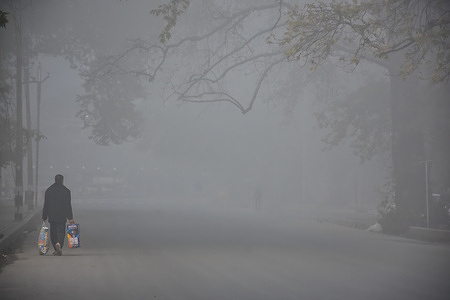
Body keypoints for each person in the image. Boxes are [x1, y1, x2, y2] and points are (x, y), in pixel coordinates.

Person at [42, 174, 74, 256]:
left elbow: (46, 204)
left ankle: (56, 246)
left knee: (53, 232)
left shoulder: (49, 191)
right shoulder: (66, 191)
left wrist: (44, 216)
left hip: (52, 215)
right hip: (62, 215)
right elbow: (68, 205)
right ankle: (59, 244)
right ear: (62, 180)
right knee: (61, 232)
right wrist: (70, 217)